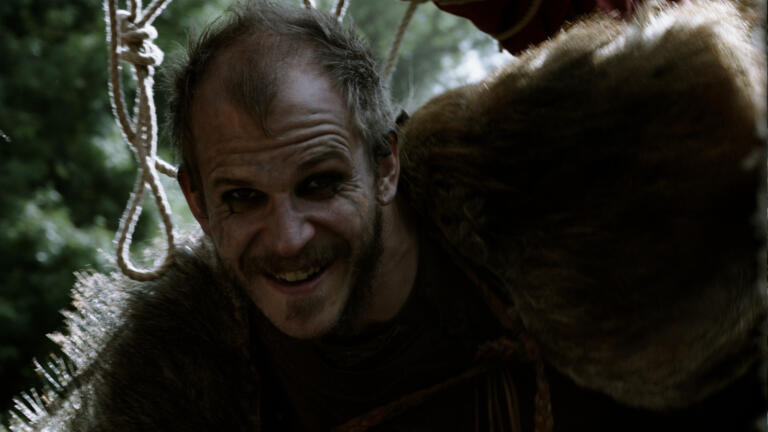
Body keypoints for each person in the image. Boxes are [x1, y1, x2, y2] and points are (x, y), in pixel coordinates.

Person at [5, 0, 766, 431]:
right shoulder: (188, 385)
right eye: (242, 199)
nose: (288, 239)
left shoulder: (555, 205)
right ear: (199, 205)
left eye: (319, 183)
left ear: (386, 163)